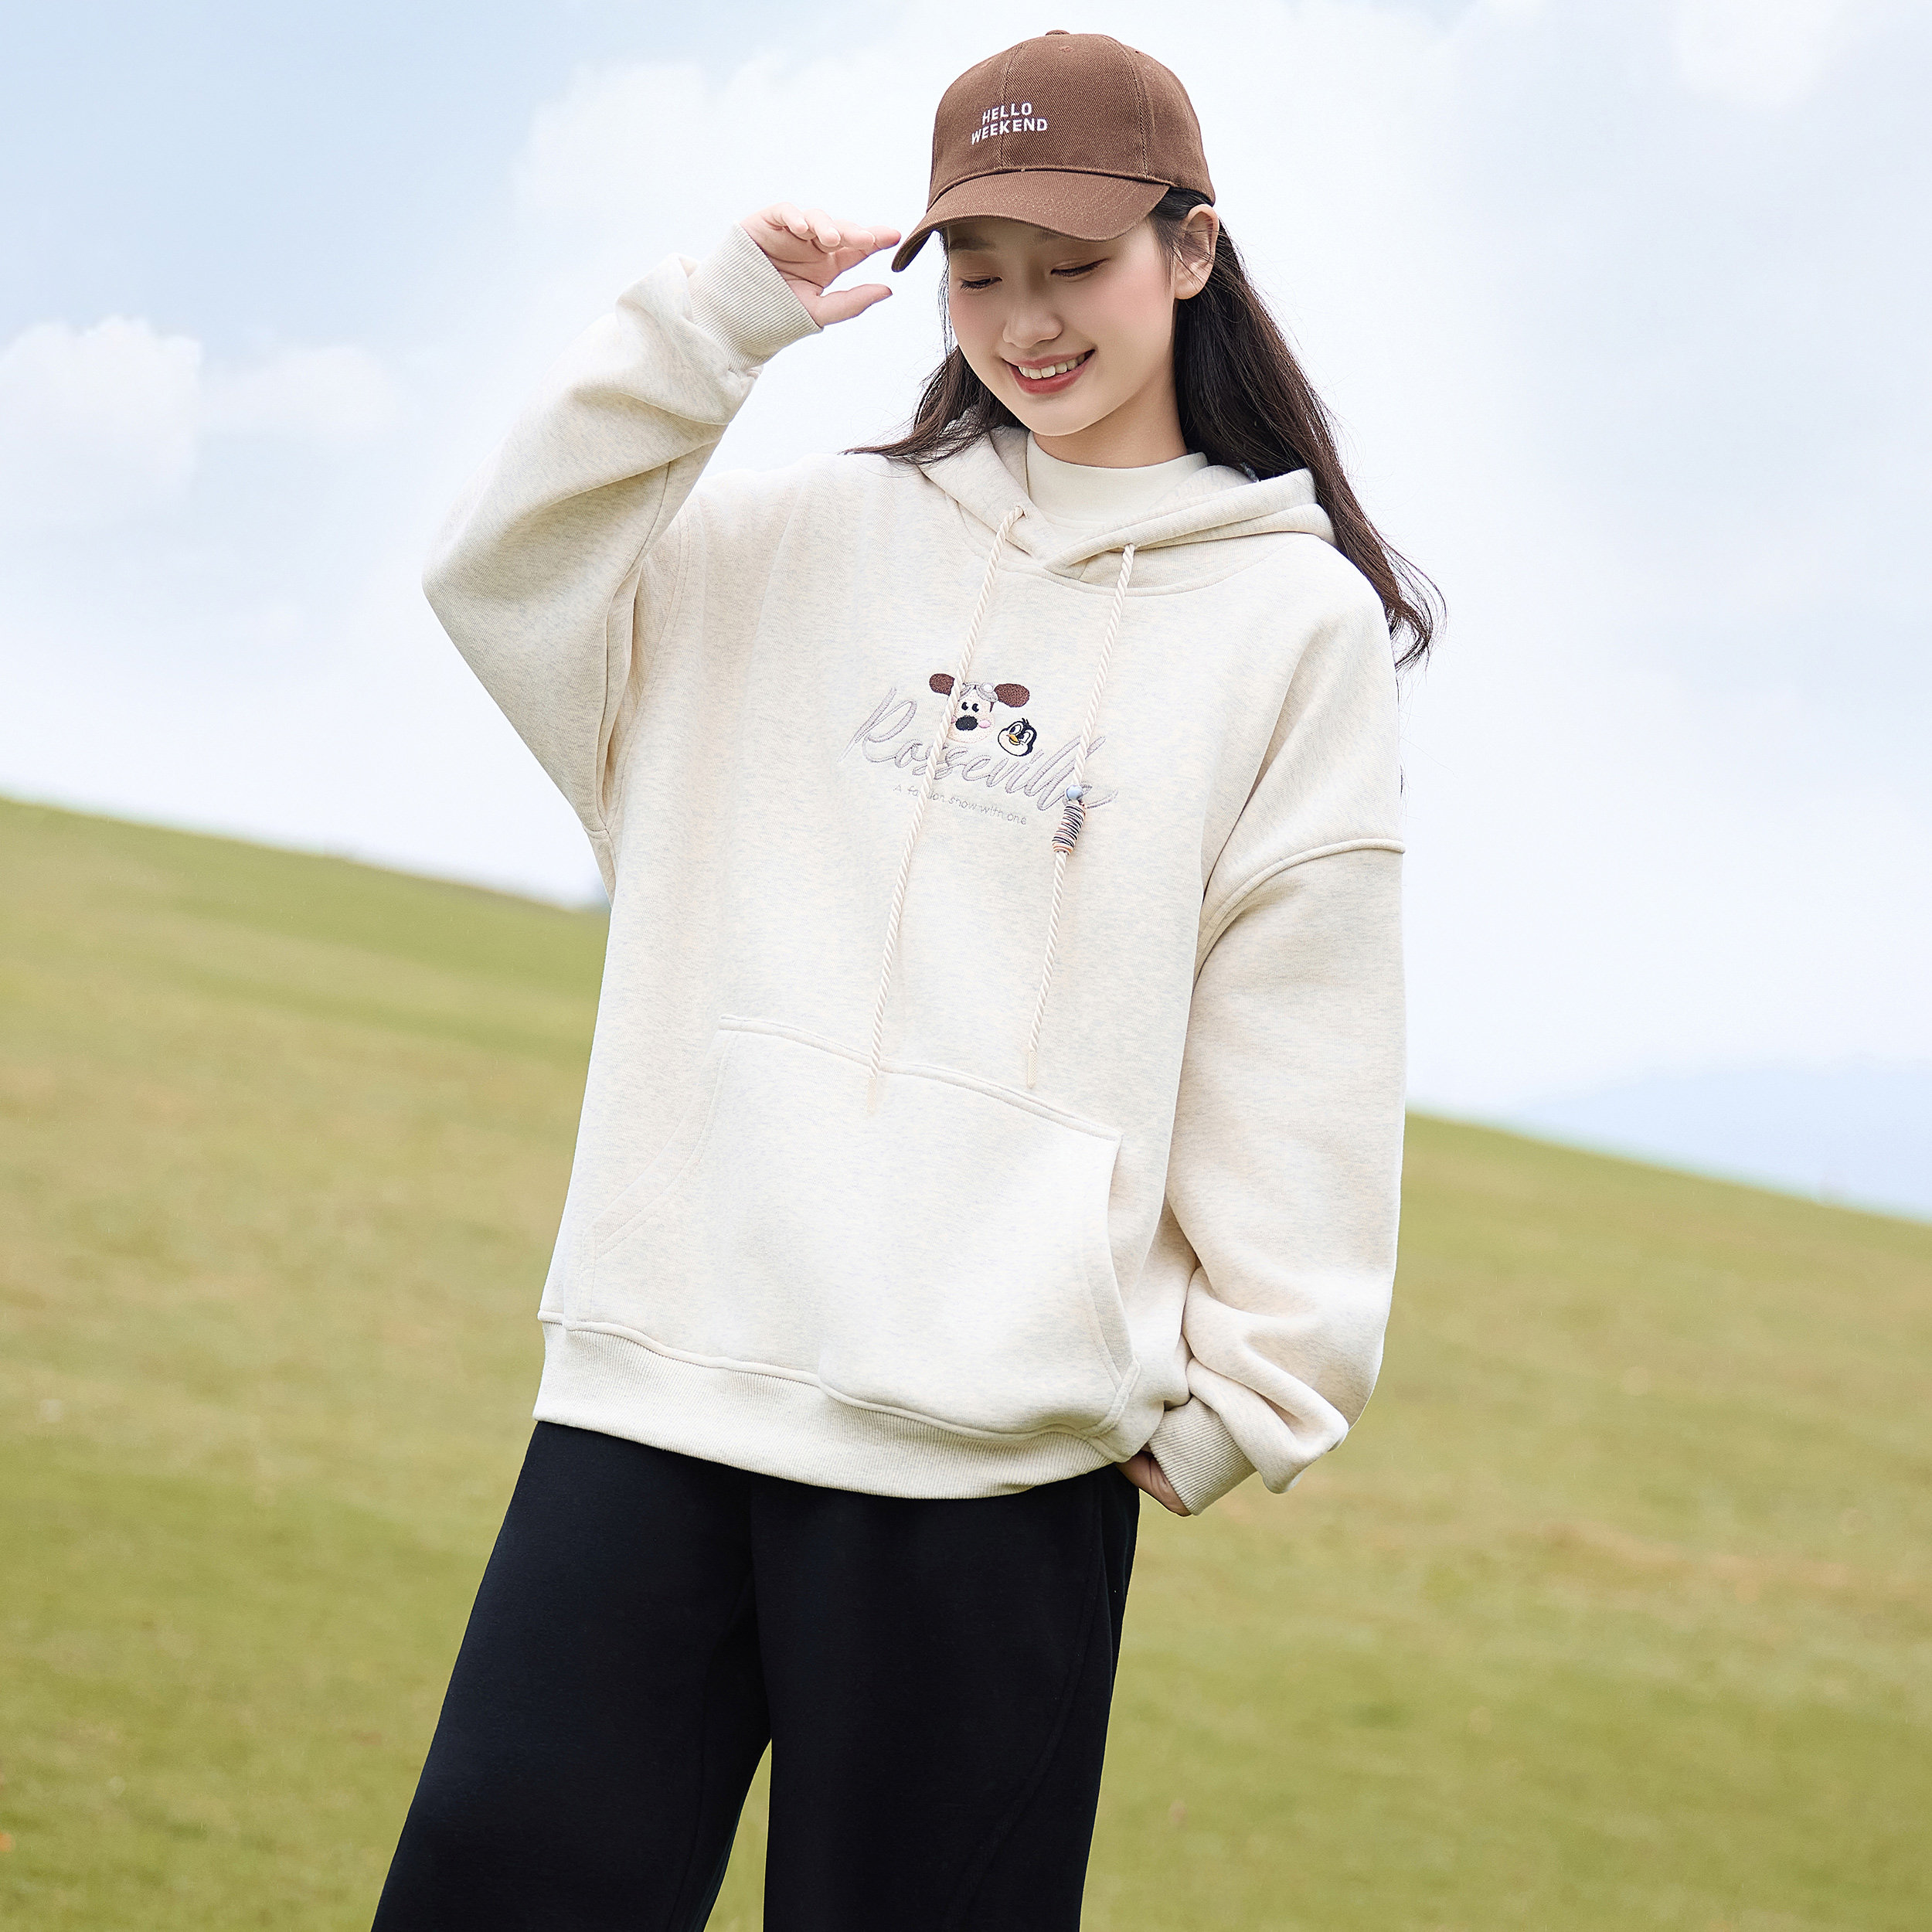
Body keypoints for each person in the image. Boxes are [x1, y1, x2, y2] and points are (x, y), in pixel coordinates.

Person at [370, 28, 1434, 1932]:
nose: (1025, 322)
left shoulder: (1290, 623)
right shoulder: (792, 541)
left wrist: (1245, 1388)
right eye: (979, 270)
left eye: (1073, 264)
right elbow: (500, 574)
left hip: (992, 1474)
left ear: (1190, 250)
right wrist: (711, 324)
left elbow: (1301, 1007)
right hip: (657, 1393)